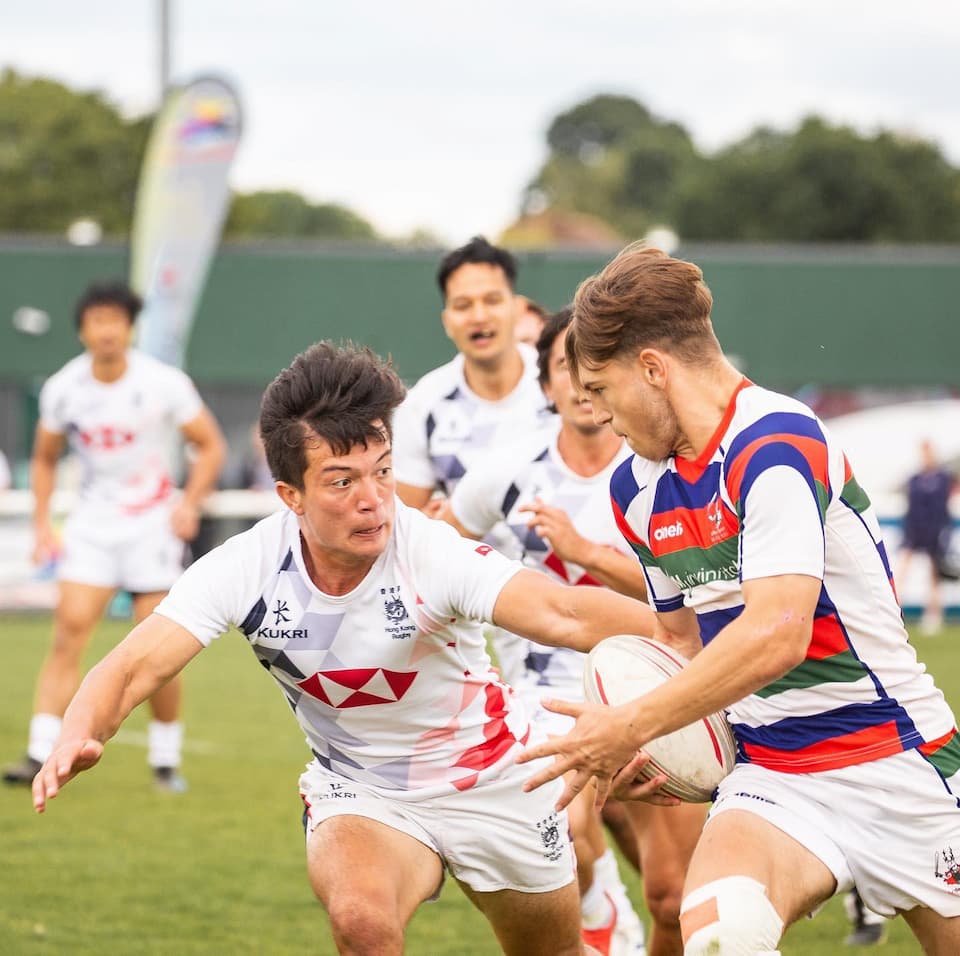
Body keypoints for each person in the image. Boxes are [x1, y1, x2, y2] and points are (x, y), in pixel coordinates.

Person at [31, 341, 666, 956]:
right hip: (363, 789)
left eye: (382, 472)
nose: (372, 500)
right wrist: (78, 732)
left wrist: (701, 656)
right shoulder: (248, 566)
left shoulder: (430, 551)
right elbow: (134, 664)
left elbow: (565, 611)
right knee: (363, 924)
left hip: (497, 780)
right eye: (341, 482)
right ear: (291, 496)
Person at [518, 244, 960, 955]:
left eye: (601, 388)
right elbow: (682, 648)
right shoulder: (636, 488)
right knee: (722, 935)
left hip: (897, 759)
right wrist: (663, 755)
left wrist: (630, 723)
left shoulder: (776, 443)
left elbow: (777, 632)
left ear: (654, 369)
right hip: (773, 776)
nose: (597, 413)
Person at [444, 307, 703, 956]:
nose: (582, 384)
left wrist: (587, 552)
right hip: (545, 695)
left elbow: (692, 609)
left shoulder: (659, 473)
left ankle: (616, 917)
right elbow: (438, 552)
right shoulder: (507, 474)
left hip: (656, 683)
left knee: (675, 895)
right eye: (566, 367)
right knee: (563, 834)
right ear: (547, 385)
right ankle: (597, 915)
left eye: (595, 369)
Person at [3, 279, 226, 792]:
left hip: (153, 526)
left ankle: (166, 759)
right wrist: (41, 524)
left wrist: (189, 503)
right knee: (69, 631)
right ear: (83, 330)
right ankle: (40, 749)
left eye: (116, 321)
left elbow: (209, 445)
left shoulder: (164, 383)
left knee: (161, 642)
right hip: (93, 527)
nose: (107, 331)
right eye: (97, 321)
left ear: (130, 328)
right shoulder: (64, 388)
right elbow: (43, 457)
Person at [393, 234, 556, 684]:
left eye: (492, 300)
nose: (479, 316)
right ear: (447, 319)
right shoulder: (424, 405)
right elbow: (406, 523)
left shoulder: (561, 381)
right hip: (492, 606)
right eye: (463, 305)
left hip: (583, 584)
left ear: (516, 307)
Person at [899, 439, 956, 635]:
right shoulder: (914, 478)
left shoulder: (943, 478)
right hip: (914, 531)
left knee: (934, 576)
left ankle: (934, 615)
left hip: (934, 531)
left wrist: (942, 533)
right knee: (901, 572)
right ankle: (893, 612)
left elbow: (942, 508)